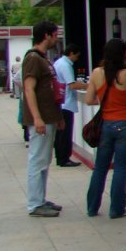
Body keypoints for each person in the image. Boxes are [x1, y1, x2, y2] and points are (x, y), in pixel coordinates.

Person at [85, 39, 126, 219]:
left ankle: (92, 207)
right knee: (120, 168)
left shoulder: (97, 73)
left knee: (100, 167)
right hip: (125, 123)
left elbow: (89, 99)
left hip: (105, 124)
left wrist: (106, 100)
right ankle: (116, 209)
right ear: (123, 54)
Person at [22, 21, 65, 217]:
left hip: (49, 117)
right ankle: (34, 203)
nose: (57, 39)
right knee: (37, 159)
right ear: (46, 36)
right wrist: (37, 118)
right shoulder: (33, 59)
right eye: (55, 35)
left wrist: (57, 116)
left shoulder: (42, 59)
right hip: (41, 119)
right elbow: (29, 88)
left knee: (44, 159)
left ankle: (40, 198)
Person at [53, 44, 87, 167]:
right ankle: (64, 158)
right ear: (71, 53)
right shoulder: (66, 65)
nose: (76, 59)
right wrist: (88, 86)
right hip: (66, 103)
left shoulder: (58, 62)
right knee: (65, 133)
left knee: (60, 133)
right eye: (76, 56)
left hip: (61, 103)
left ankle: (60, 156)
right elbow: (71, 85)